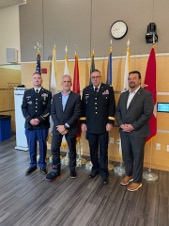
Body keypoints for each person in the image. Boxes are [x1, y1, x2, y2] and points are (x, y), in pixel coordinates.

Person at [116, 70, 154, 191]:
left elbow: (147, 114)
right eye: (129, 78)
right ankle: (129, 174)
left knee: (137, 156)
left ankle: (137, 181)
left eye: (134, 78)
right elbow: (118, 112)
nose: (131, 80)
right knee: (126, 154)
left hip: (138, 131)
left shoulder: (146, 94)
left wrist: (133, 126)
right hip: (124, 131)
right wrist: (121, 124)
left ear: (139, 80)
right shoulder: (123, 94)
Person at [80, 69, 116, 184]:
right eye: (93, 77)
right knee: (93, 150)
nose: (95, 79)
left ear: (100, 77)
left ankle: (104, 172)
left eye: (97, 77)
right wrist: (83, 123)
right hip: (90, 127)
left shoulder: (108, 89)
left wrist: (110, 122)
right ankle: (95, 169)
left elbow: (112, 106)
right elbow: (83, 109)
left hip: (103, 127)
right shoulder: (86, 90)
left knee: (103, 150)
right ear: (91, 79)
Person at [46, 75, 81, 182]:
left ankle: (72, 169)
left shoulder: (76, 96)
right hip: (57, 128)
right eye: (64, 81)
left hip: (70, 128)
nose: (66, 83)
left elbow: (77, 113)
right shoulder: (56, 97)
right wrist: (59, 126)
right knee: (54, 148)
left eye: (68, 81)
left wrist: (65, 126)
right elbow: (53, 112)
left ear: (71, 83)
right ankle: (56, 170)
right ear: (61, 83)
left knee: (72, 149)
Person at [22, 72, 52, 175]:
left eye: (39, 78)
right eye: (34, 78)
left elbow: (49, 108)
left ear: (41, 80)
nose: (37, 80)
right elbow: (24, 107)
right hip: (30, 125)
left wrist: (39, 119)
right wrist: (29, 119)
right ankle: (32, 165)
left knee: (43, 146)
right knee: (31, 146)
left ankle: (42, 165)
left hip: (42, 125)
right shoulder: (27, 93)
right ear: (32, 80)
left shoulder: (48, 93)